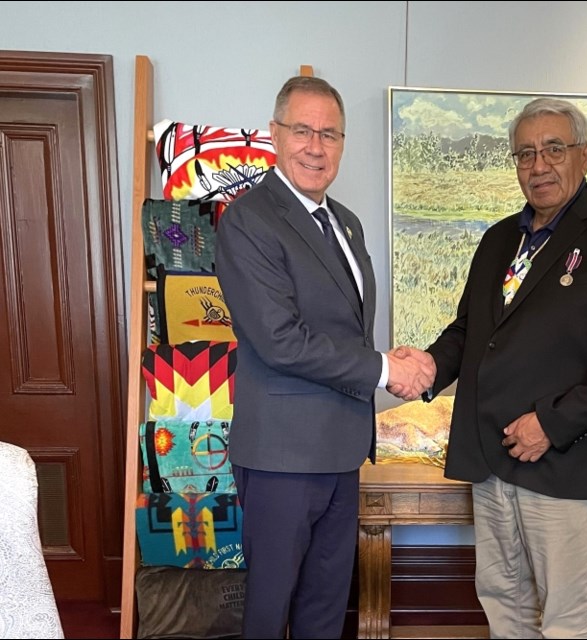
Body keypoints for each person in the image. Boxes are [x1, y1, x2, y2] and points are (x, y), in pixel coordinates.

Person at [406, 97, 587, 638]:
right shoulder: (499, 237)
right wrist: (429, 366)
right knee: (505, 608)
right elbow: (470, 331)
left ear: (584, 155)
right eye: (525, 154)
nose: (539, 165)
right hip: (491, 455)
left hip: (560, 461)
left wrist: (551, 423)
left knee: (567, 619)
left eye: (553, 149)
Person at [215, 75, 434, 639]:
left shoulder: (346, 222)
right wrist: (386, 368)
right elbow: (279, 339)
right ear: (275, 134)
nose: (316, 146)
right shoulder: (249, 220)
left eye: (330, 134)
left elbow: (345, 327)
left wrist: (389, 355)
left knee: (325, 607)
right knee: (270, 611)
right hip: (281, 457)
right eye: (303, 130)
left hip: (341, 453)